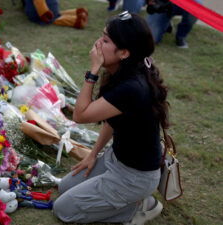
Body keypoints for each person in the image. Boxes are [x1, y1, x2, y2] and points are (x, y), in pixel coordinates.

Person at [53, 11, 169, 224]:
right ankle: (125, 200)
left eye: (105, 40)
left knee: (63, 210)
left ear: (124, 52)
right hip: (116, 159)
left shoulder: (132, 87)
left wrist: (93, 71)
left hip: (134, 177)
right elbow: (112, 121)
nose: (97, 43)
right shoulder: (125, 70)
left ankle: (137, 208)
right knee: (64, 187)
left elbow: (80, 115)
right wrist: (93, 154)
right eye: (102, 36)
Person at [23, 0, 88, 29]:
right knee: (55, 15)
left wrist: (44, 13)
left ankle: (77, 18)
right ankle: (77, 15)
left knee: (53, 17)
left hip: (44, 10)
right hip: (46, 8)